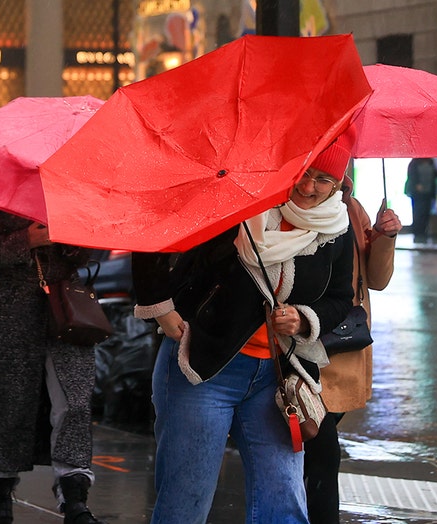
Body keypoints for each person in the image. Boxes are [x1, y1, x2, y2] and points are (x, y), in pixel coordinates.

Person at [131, 135, 357, 523]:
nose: (308, 187)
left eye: (323, 180)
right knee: (186, 499)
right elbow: (155, 228)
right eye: (304, 173)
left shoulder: (336, 226)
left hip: (278, 377)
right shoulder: (241, 199)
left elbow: (339, 298)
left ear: (339, 184)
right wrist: (160, 307)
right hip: (202, 365)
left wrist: (303, 319)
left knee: (283, 501)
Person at [0, 200, 105, 524]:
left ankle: (74, 498)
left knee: (73, 404)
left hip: (66, 313)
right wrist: (26, 241)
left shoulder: (67, 187)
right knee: (7, 405)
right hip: (9, 317)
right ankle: (0, 500)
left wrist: (64, 236)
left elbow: (91, 247)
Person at [303, 172, 402, 524]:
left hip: (344, 344)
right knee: (322, 450)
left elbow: (375, 279)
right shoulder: (296, 205)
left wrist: (384, 236)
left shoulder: (351, 208)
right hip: (301, 343)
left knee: (315, 449)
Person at [404, 157, 437, 242]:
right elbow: (411, 175)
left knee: (426, 213)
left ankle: (424, 231)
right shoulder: (414, 163)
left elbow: (434, 174)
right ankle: (417, 232)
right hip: (417, 194)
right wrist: (417, 184)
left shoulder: (430, 162)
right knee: (417, 212)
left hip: (428, 192)